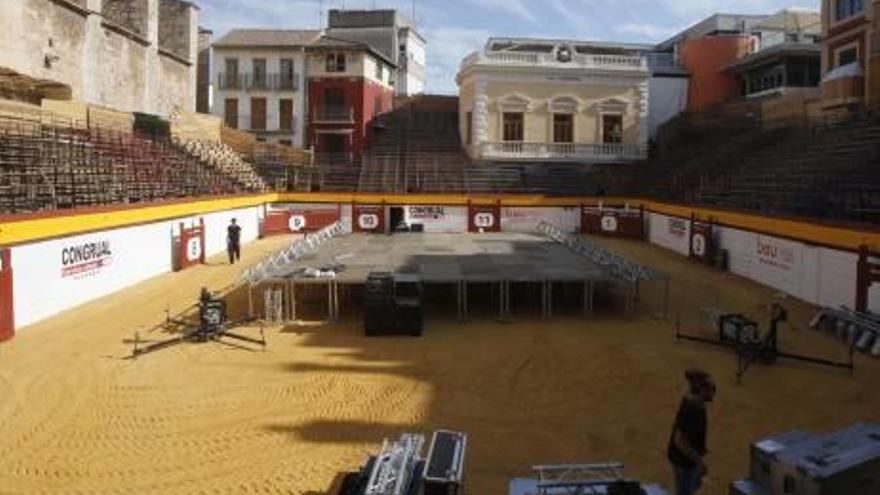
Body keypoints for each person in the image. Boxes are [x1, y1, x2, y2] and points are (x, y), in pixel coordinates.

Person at [667, 367, 716, 495]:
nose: (714, 392)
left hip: (687, 459)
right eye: (712, 388)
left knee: (693, 486)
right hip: (683, 462)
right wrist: (699, 462)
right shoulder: (691, 411)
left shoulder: (697, 402)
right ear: (702, 390)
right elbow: (680, 441)